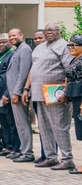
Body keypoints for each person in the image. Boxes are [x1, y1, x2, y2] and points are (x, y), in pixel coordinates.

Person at [25, 23, 74, 170]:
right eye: (47, 30)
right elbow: (34, 69)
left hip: (55, 93)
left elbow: (70, 70)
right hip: (39, 93)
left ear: (59, 32)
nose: (49, 32)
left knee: (59, 126)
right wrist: (26, 88)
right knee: (44, 127)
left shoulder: (64, 46)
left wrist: (65, 92)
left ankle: (67, 159)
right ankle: (51, 157)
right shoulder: (40, 47)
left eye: (52, 30)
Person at [7, 28, 34, 163]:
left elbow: (23, 73)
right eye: (10, 36)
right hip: (13, 92)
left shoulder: (24, 49)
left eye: (14, 35)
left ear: (21, 35)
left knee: (23, 123)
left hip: (17, 93)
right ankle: (24, 150)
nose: (12, 38)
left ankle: (27, 152)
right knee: (19, 124)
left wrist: (17, 92)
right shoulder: (17, 49)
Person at [64, 34, 82, 174]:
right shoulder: (74, 59)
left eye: (73, 45)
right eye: (69, 45)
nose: (70, 47)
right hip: (75, 97)